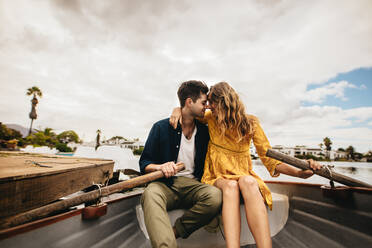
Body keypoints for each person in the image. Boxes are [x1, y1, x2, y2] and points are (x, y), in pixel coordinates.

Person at [170, 82, 322, 248]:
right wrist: (176, 110)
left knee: (249, 182)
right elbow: (188, 111)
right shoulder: (210, 118)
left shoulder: (251, 123)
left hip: (243, 175)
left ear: (222, 103)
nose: (208, 107)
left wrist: (299, 173)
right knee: (230, 187)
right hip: (217, 175)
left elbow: (269, 159)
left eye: (211, 103)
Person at [139, 80, 222, 248]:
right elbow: (145, 163)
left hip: (194, 185)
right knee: (149, 195)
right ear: (189, 102)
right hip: (165, 184)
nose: (206, 107)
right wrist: (160, 167)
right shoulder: (161, 127)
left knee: (215, 196)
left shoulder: (206, 131)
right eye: (203, 102)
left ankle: (175, 232)